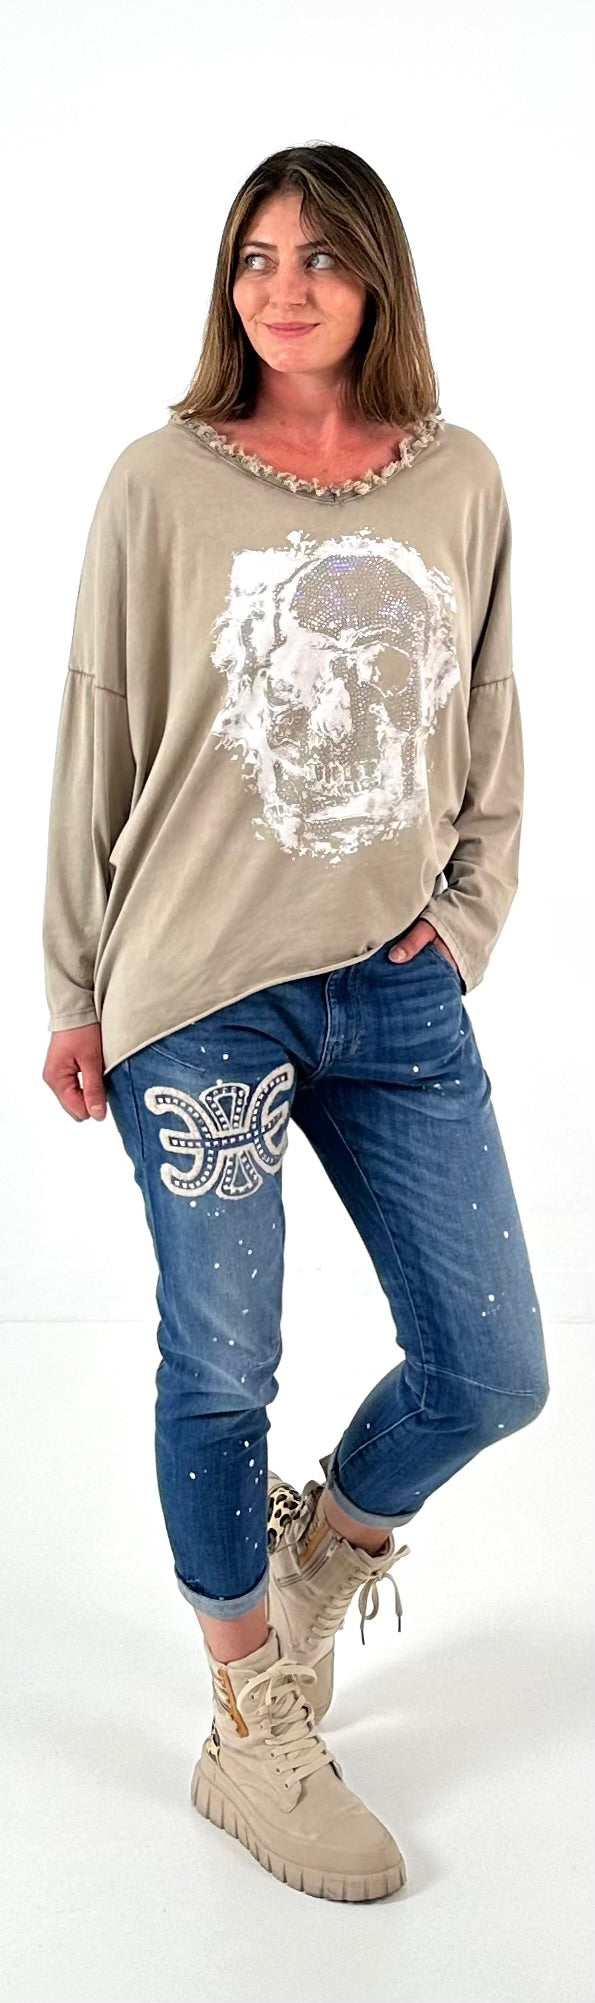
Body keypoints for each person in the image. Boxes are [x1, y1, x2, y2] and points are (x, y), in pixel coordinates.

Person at [41, 142, 550, 1904]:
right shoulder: (159, 483)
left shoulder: (460, 477)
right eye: (256, 256)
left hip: (395, 992)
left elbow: (492, 719)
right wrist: (76, 988)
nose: (284, 287)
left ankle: (320, 1555)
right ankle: (247, 1717)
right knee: (222, 1362)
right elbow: (97, 738)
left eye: (322, 256)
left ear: (377, 278)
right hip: (198, 996)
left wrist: (464, 924)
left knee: (495, 1368)